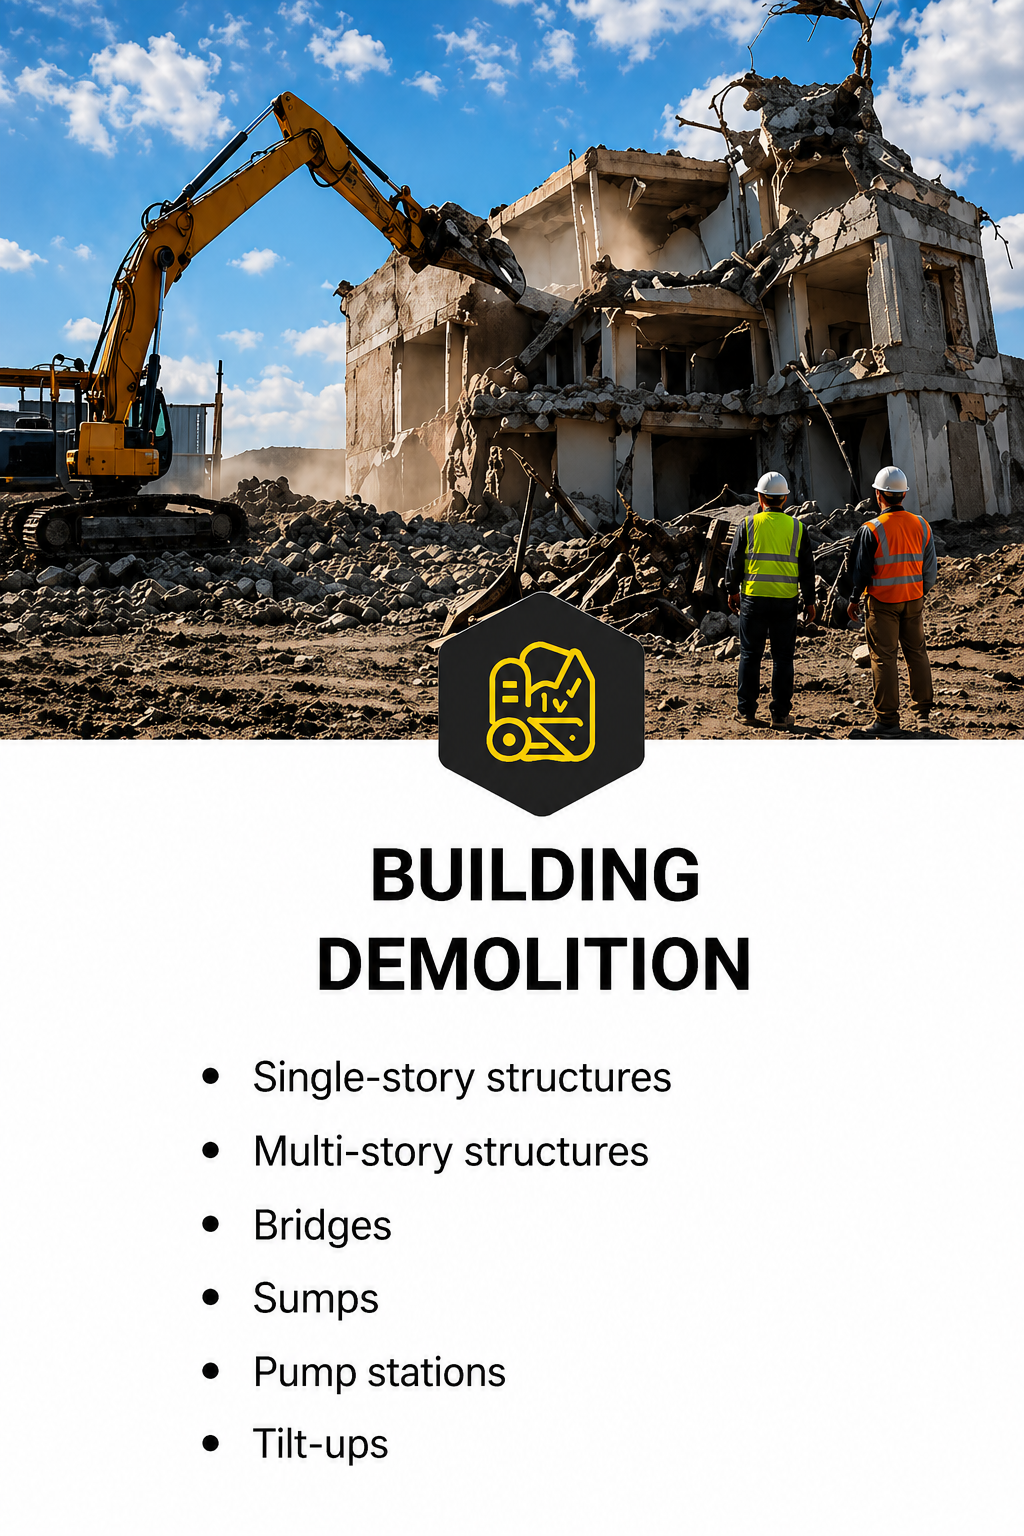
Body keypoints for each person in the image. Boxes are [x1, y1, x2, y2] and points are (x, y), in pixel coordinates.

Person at [846, 465, 936, 737]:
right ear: (903, 495)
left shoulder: (871, 529)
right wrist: (917, 593)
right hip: (913, 600)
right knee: (917, 653)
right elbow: (929, 570)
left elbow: (860, 570)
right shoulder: (921, 524)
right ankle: (922, 715)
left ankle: (887, 720)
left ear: (878, 495)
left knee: (884, 658)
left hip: (883, 603)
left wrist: (853, 599)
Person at [725, 471, 817, 728]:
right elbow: (807, 569)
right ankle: (780, 715)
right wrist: (810, 601)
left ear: (759, 497)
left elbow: (734, 562)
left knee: (750, 654)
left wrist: (731, 590)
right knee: (783, 657)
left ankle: (746, 712)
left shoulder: (748, 525)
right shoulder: (798, 527)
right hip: (785, 601)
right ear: (785, 499)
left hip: (753, 599)